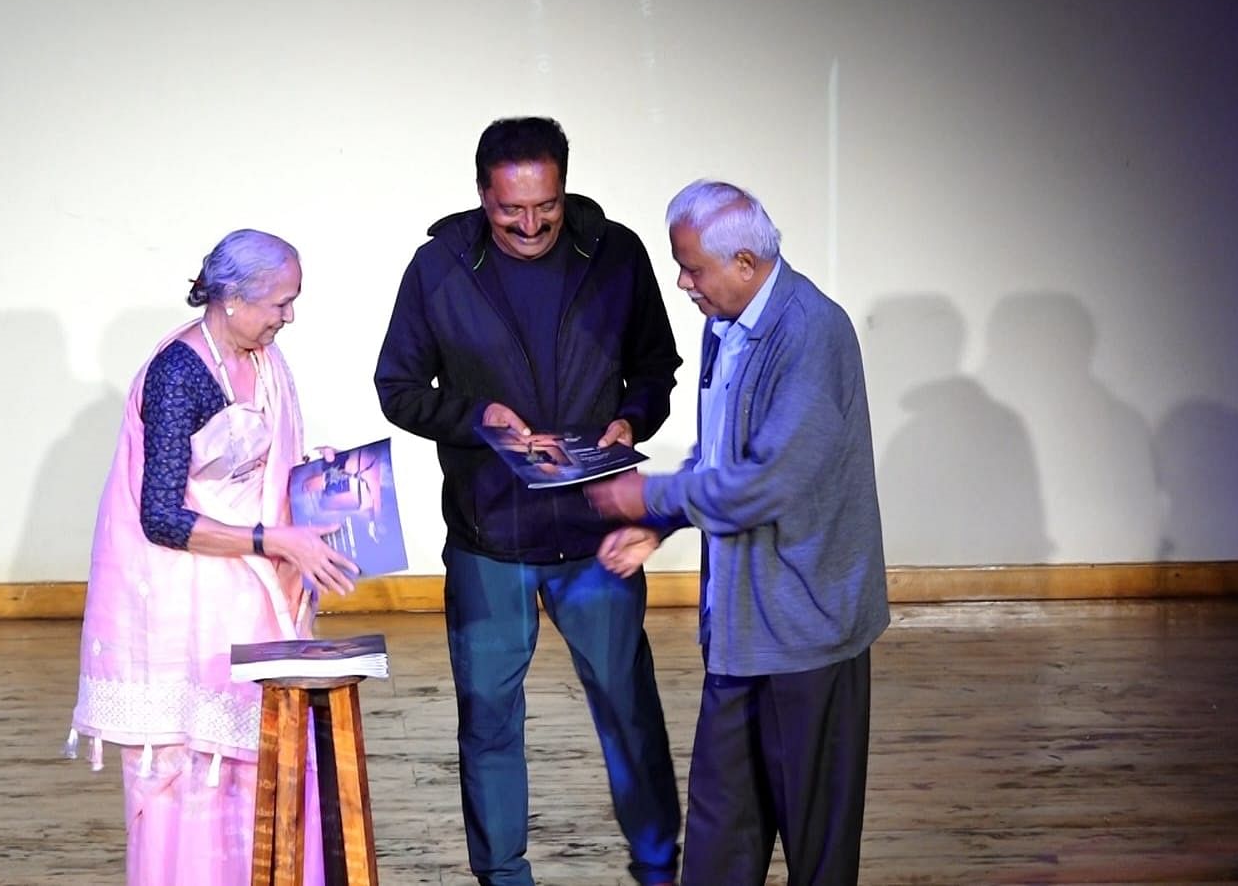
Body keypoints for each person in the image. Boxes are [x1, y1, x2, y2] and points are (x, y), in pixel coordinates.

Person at [374, 116, 684, 886]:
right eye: (511, 209)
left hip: (597, 534)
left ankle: (657, 866)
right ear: (482, 194)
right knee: (487, 722)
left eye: (544, 204)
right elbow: (399, 389)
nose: (530, 222)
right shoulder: (438, 268)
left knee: (628, 709)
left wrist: (632, 417)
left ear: (563, 186)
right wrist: (476, 419)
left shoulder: (616, 255)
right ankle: (503, 876)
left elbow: (656, 364)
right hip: (490, 538)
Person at [585, 180, 890, 885]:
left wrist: (644, 491)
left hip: (806, 630)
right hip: (738, 629)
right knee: (721, 834)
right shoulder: (724, 323)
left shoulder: (811, 332)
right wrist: (657, 522)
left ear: (745, 263)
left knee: (815, 846)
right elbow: (723, 454)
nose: (683, 283)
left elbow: (768, 481)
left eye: (692, 268)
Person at [66, 228, 359, 886]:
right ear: (231, 298)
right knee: (195, 778)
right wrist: (270, 539)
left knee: (266, 765)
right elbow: (162, 515)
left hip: (247, 598)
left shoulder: (265, 363)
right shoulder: (179, 373)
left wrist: (312, 484)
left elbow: (260, 467)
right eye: (280, 303)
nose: (288, 316)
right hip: (184, 603)